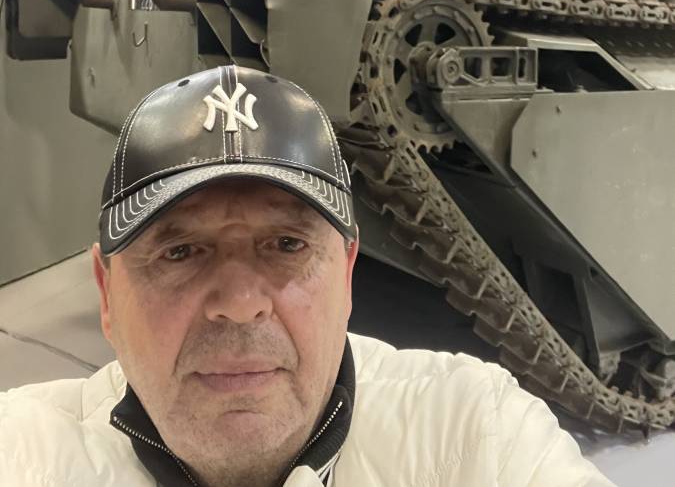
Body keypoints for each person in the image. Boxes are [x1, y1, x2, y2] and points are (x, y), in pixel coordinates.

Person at [0, 65, 615, 486]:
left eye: (287, 244)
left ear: (346, 274)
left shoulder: (475, 436)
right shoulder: (25, 454)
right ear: (107, 293)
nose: (240, 303)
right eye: (180, 252)